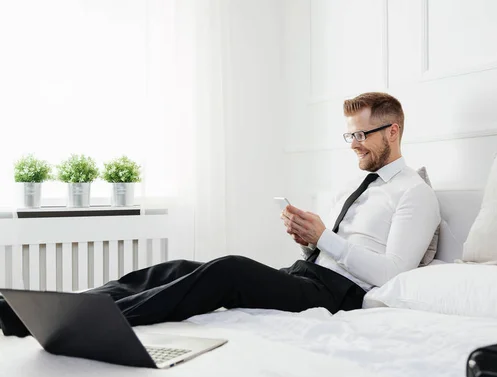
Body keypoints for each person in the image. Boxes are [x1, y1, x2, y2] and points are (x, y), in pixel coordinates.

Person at [0, 92, 440, 337]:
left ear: (393, 131)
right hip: (307, 275)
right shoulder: (356, 185)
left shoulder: (414, 194)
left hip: (340, 297)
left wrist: (324, 238)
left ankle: (86, 325)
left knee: (227, 270)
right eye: (348, 135)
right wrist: (308, 237)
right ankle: (53, 309)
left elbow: (392, 273)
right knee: (179, 268)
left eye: (361, 134)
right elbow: (331, 247)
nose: (353, 144)